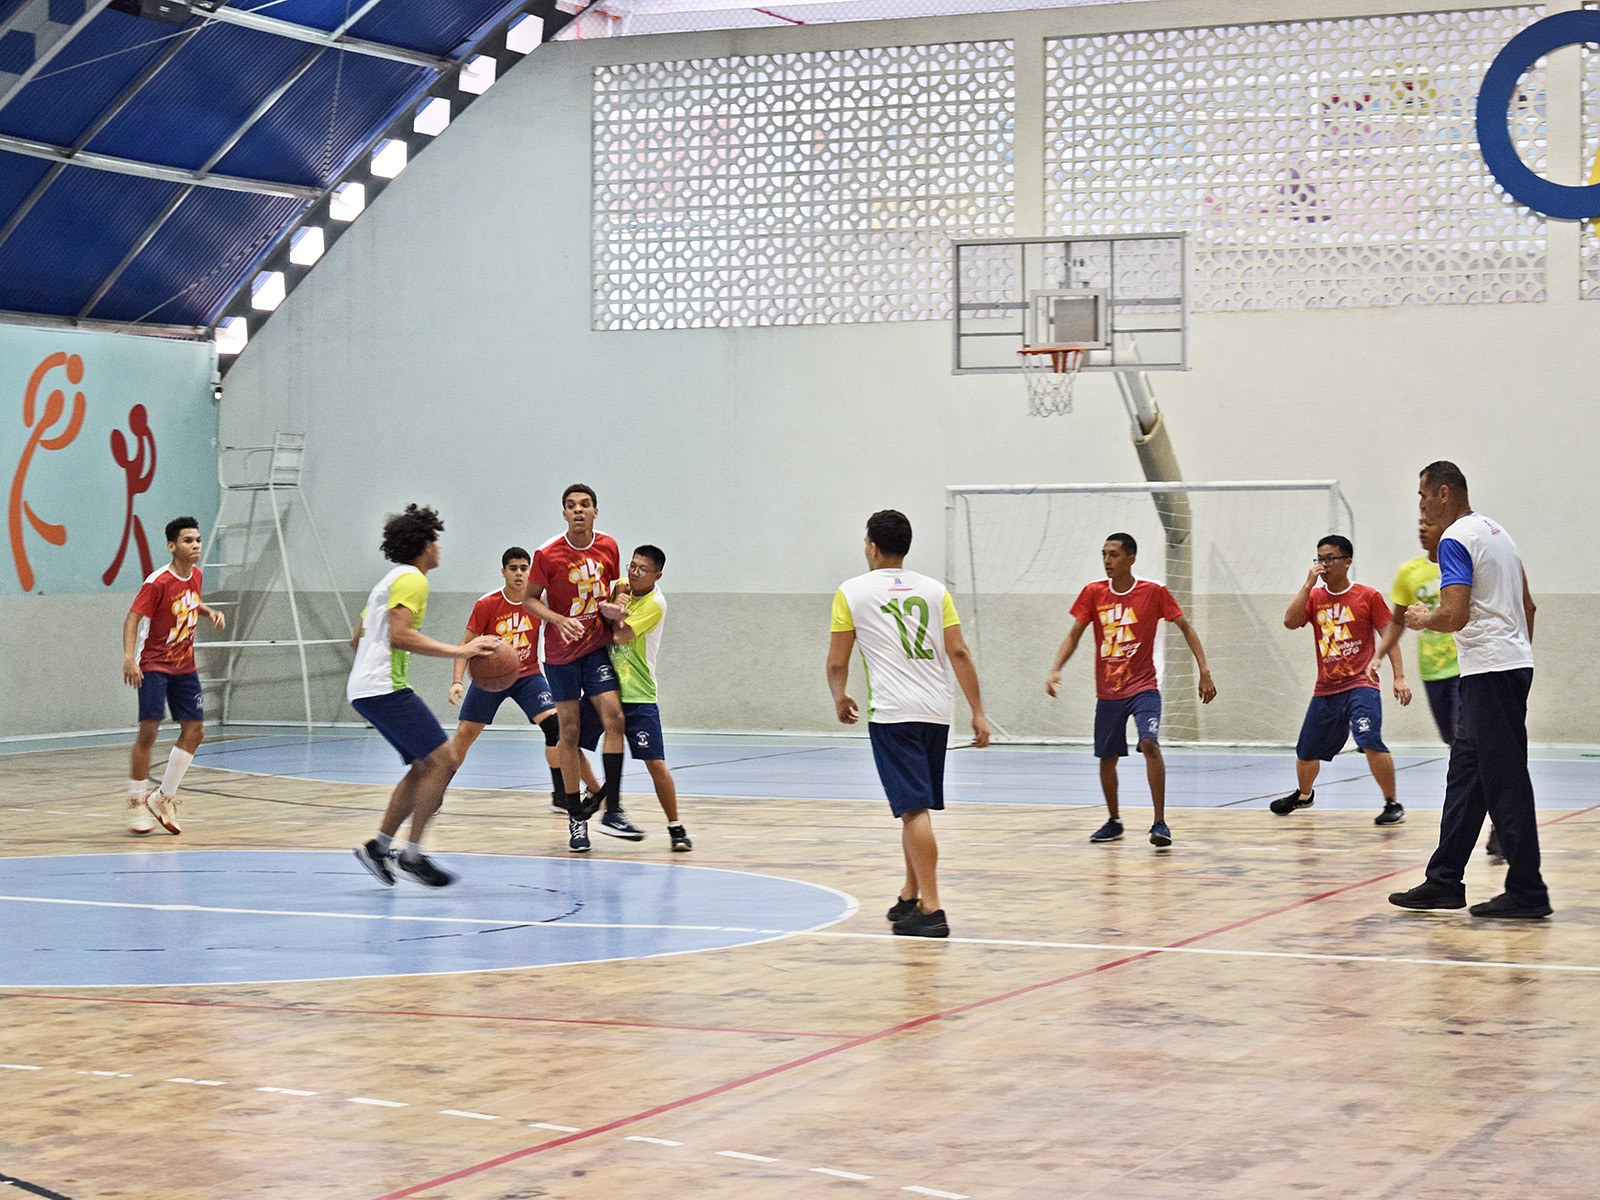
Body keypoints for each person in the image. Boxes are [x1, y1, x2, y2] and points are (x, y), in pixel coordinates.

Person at [1390, 462, 1550, 918]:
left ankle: (1527, 891)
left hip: (1490, 674)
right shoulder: (1498, 533)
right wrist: (1516, 654)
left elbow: (1454, 614)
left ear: (1444, 493)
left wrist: (1422, 618)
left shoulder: (1456, 538)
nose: (1421, 506)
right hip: (1503, 668)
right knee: (1466, 777)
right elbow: (1527, 605)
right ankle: (1443, 881)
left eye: (1423, 496)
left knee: (1505, 780)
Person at [826, 509, 990, 938]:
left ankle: (932, 910)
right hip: (936, 712)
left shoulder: (851, 592)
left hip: (893, 713)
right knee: (914, 809)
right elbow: (959, 652)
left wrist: (839, 696)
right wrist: (977, 711)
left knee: (913, 809)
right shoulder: (935, 590)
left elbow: (837, 661)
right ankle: (909, 896)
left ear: (872, 547)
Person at [349, 505, 499, 888]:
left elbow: (356, 639)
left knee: (422, 766)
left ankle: (379, 848)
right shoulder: (413, 580)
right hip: (383, 687)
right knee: (445, 761)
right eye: (436, 539)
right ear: (424, 544)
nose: (439, 547)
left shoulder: (388, 581)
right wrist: (461, 650)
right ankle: (412, 856)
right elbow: (399, 635)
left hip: (367, 688)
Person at [1046, 532, 1217, 847]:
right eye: (1104, 554)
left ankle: (1159, 822)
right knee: (1107, 758)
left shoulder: (1153, 592)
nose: (1107, 560)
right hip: (1108, 692)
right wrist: (1056, 668)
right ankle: (1114, 821)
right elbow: (1074, 635)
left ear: (1131, 558)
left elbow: (1186, 628)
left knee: (1149, 743)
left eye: (1114, 554)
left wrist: (1204, 671)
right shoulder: (1093, 592)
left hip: (1144, 686)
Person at [1373, 517, 1502, 860]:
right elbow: (1396, 622)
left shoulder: (1458, 561)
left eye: (1428, 522)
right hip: (1432, 674)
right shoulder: (1409, 572)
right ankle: (1491, 819)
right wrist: (1377, 656)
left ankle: (1496, 824)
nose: (1422, 527)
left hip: (1464, 668)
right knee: (1456, 748)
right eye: (1419, 522)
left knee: (1466, 747)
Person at [1271, 535, 1412, 824]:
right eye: (1320, 559)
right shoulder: (1315, 597)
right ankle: (1304, 796)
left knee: (1369, 739)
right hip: (1326, 688)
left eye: (1330, 558)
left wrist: (1399, 677)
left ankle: (1392, 803)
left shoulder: (1368, 596)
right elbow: (1290, 622)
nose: (1323, 564)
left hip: (1361, 684)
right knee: (1306, 752)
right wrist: (1308, 585)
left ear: (1347, 562)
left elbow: (1390, 636)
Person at [447, 546, 597, 809]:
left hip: (528, 675)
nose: (519, 573)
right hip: (491, 679)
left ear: (530, 572)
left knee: (556, 728)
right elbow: (465, 644)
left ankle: (568, 794)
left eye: (524, 568)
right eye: (513, 568)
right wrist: (457, 681)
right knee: (464, 735)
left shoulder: (540, 603)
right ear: (503, 572)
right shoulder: (487, 603)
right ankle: (435, 790)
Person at [526, 485, 630, 853]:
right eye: (571, 506)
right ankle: (575, 816)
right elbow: (529, 600)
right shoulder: (547, 553)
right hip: (560, 655)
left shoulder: (609, 546)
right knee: (568, 732)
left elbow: (615, 586)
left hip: (595, 648)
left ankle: (613, 808)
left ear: (595, 511)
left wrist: (617, 603)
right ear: (564, 514)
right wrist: (557, 619)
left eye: (585, 505)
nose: (578, 510)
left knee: (615, 718)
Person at [575, 545, 692, 851]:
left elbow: (619, 635)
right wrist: (616, 599)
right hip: (604, 688)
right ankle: (598, 792)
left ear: (657, 575)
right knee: (567, 741)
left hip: (638, 693)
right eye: (632, 565)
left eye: (643, 569)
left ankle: (675, 827)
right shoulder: (621, 587)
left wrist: (615, 609)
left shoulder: (655, 604)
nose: (634, 572)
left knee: (655, 763)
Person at [120, 516, 226, 835]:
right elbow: (132, 619)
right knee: (149, 732)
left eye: (198, 540)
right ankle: (136, 802)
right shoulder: (157, 582)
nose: (195, 545)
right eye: (187, 541)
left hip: (185, 666)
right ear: (171, 546)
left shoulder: (196, 575)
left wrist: (208, 612)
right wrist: (129, 658)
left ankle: (163, 798)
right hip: (154, 664)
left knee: (195, 731)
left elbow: (190, 602)